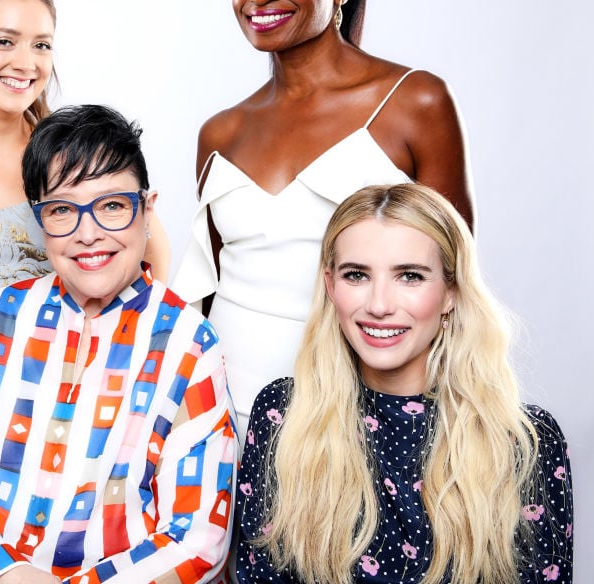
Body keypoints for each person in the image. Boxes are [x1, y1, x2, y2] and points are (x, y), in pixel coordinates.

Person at [173, 0, 475, 440]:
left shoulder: (414, 102)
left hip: (356, 417)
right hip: (219, 415)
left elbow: (454, 283)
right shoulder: (221, 131)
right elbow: (206, 292)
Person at [0, 105, 236, 583]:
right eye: (62, 209)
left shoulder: (190, 344)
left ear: (147, 210)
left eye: (111, 206)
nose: (89, 234)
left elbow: (198, 535)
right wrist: (5, 575)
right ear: (39, 220)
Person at [234, 183, 573, 584]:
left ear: (451, 291)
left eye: (409, 276)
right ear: (331, 286)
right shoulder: (283, 414)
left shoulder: (525, 442)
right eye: (356, 275)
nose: (379, 305)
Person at [0, 0, 171, 347]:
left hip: (61, 381)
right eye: (5, 41)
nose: (27, 63)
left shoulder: (74, 157)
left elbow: (151, 254)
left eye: (41, 45)